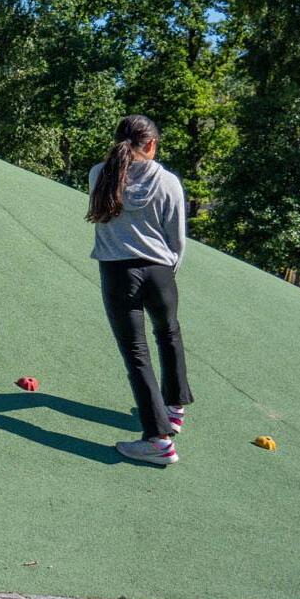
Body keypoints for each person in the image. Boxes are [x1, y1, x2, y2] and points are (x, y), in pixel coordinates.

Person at [87, 114, 192, 466]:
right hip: (160, 271)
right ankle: (173, 410)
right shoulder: (169, 181)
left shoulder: (99, 174)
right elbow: (177, 237)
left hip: (118, 272)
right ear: (151, 144)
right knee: (169, 333)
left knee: (136, 354)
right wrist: (168, 271)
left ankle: (158, 441)